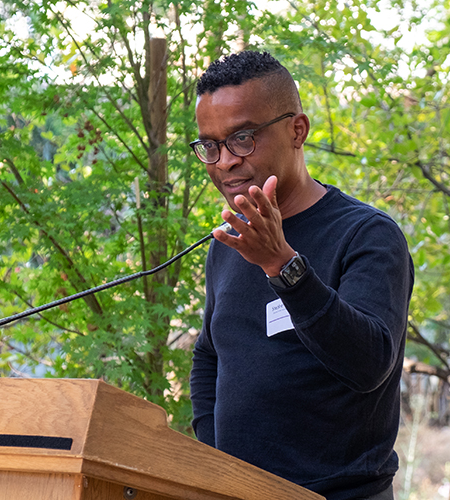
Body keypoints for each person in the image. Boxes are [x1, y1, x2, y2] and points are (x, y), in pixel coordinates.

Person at [189, 50, 414, 500]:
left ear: (298, 130)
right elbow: (210, 356)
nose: (225, 161)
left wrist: (282, 265)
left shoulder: (367, 235)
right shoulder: (229, 241)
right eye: (209, 145)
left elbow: (370, 364)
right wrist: (216, 464)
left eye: (243, 138)